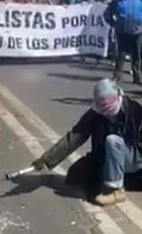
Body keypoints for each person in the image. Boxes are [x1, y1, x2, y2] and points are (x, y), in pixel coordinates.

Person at [27, 78, 142, 206]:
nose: (107, 114)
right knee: (75, 176)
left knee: (113, 140)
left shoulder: (134, 111)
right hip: (105, 158)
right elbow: (74, 137)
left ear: (118, 97)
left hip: (135, 159)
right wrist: (46, 159)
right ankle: (115, 178)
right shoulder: (95, 114)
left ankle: (115, 190)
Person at [104, 0, 142, 84]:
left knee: (137, 56)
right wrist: (113, 23)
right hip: (122, 31)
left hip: (137, 32)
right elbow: (107, 13)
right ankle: (117, 77)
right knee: (120, 55)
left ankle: (137, 77)